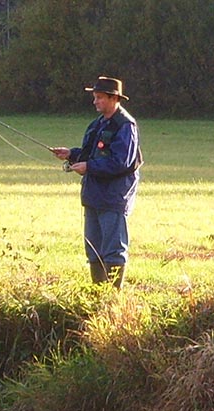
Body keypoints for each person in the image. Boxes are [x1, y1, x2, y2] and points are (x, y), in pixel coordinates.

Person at [51, 76, 142, 289]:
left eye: (99, 97)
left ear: (114, 98)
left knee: (113, 249)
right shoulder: (98, 124)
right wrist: (71, 154)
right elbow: (91, 154)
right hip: (93, 195)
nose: (95, 102)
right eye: (95, 97)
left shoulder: (125, 125)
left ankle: (112, 298)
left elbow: (121, 162)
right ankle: (97, 296)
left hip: (113, 196)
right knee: (93, 248)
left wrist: (89, 167)